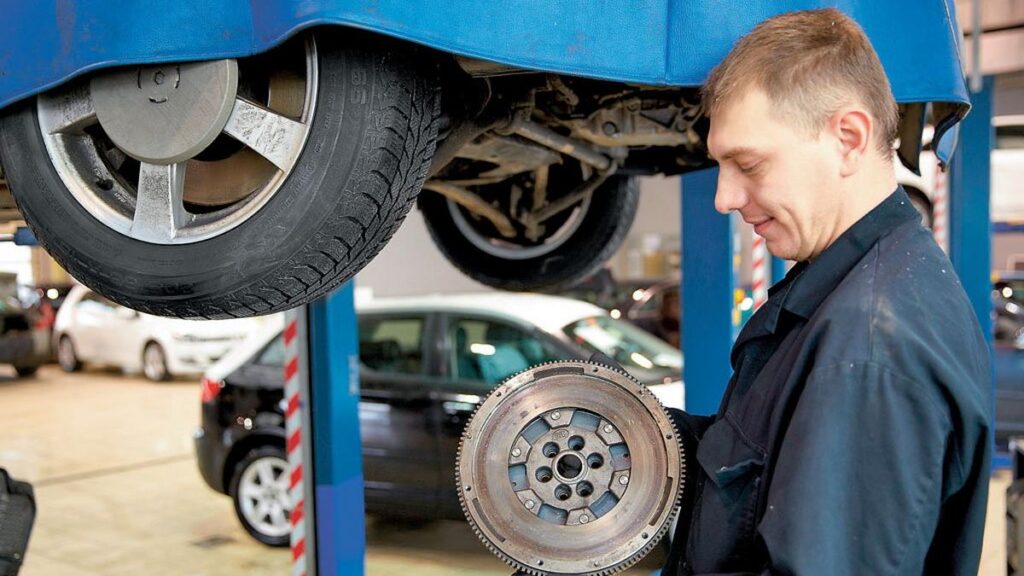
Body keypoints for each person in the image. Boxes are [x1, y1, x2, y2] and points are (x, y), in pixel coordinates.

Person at [662, 8, 992, 575]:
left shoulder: (869, 347)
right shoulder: (851, 292)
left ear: (848, 139)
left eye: (748, 164)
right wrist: (635, 435)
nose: (724, 198)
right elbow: (755, 473)